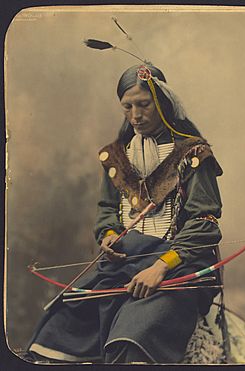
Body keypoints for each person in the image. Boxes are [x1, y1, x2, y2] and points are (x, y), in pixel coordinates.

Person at [26, 64, 223, 364]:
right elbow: (107, 209)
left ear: (163, 103)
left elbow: (204, 221)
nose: (135, 116)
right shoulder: (116, 156)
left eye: (144, 105)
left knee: (134, 335)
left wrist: (160, 267)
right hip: (125, 260)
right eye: (127, 107)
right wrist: (108, 235)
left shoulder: (193, 155)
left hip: (178, 262)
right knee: (60, 327)